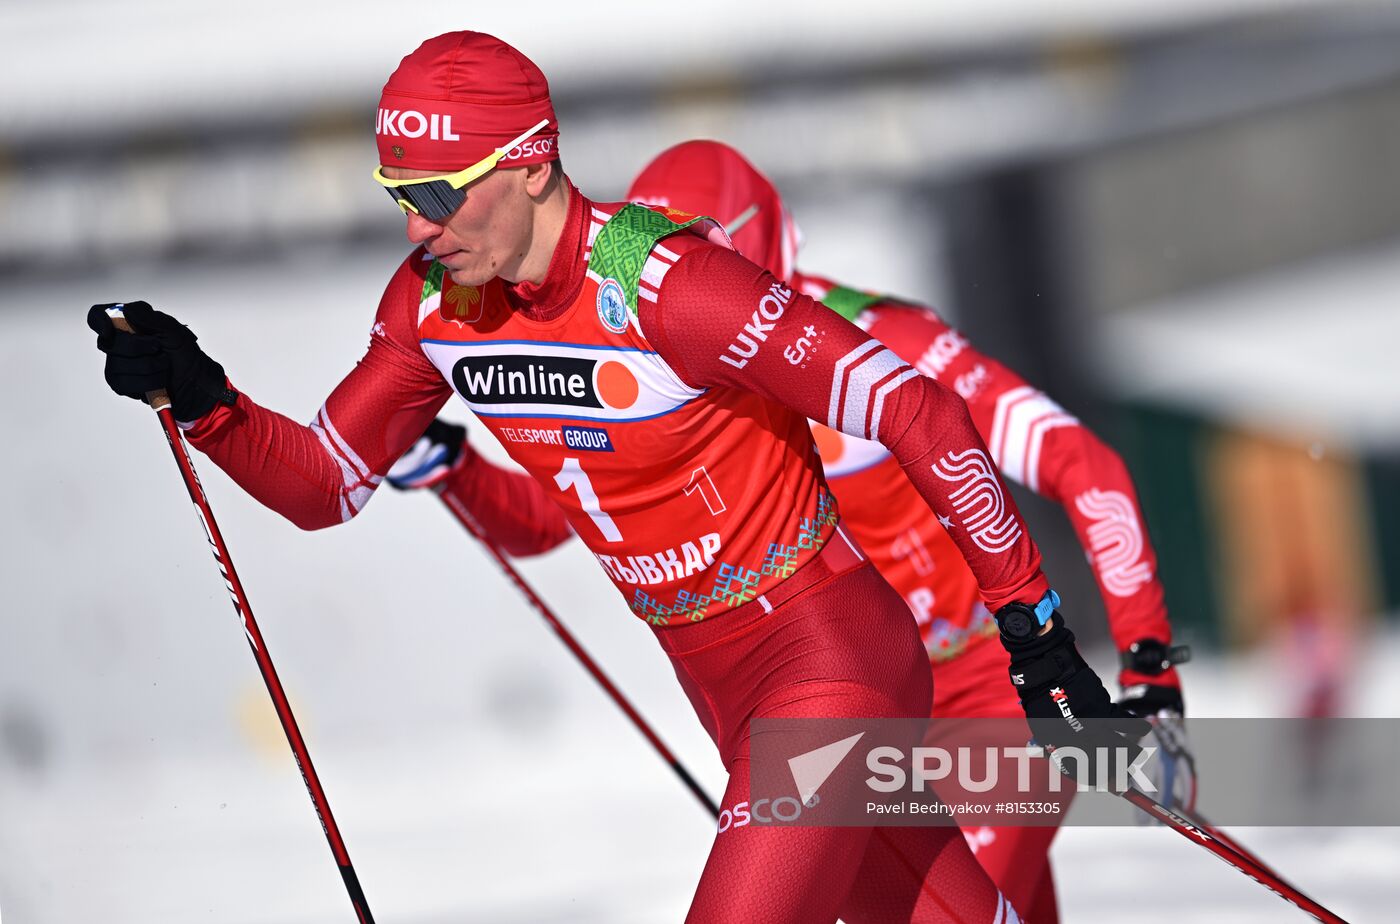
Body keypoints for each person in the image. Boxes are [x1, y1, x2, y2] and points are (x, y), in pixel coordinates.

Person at [86, 32, 1145, 924]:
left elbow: (917, 410)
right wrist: (208, 399)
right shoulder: (433, 304)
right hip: (715, 680)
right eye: (400, 195)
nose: (417, 226)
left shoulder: (670, 286)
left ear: (531, 163)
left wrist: (1035, 631)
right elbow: (324, 485)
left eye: (440, 194)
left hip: (829, 660)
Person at [395, 139, 1192, 922]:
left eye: (703, 254)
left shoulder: (875, 341)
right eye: (656, 256)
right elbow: (548, 520)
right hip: (838, 711)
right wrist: (453, 467)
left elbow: (1084, 467)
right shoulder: (653, 351)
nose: (680, 282)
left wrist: (1148, 668)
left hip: (984, 695)